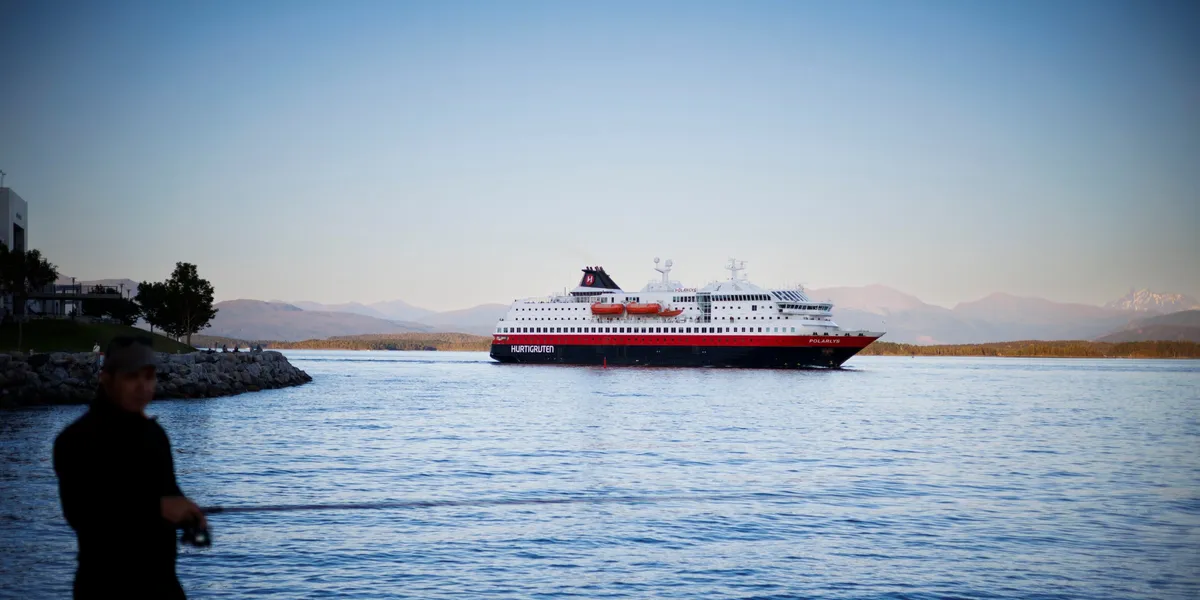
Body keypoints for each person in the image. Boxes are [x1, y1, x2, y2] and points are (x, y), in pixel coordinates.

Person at [53, 336, 207, 599]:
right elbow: (82, 514)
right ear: (106, 379)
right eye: (131, 377)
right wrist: (158, 508)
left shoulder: (155, 435)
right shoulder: (76, 440)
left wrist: (189, 515)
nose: (142, 387)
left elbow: (169, 492)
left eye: (149, 377)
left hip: (162, 584)